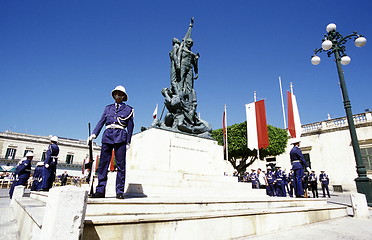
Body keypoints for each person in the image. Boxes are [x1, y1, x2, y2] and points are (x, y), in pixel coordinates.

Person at [88, 85, 134, 199]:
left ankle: (119, 191)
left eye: (120, 94)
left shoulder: (129, 109)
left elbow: (130, 127)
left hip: (120, 137)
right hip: (107, 136)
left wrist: (128, 142)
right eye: (116, 93)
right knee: (103, 164)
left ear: (123, 96)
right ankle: (100, 190)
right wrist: (94, 134)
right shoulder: (108, 108)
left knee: (121, 165)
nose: (117, 95)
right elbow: (101, 121)